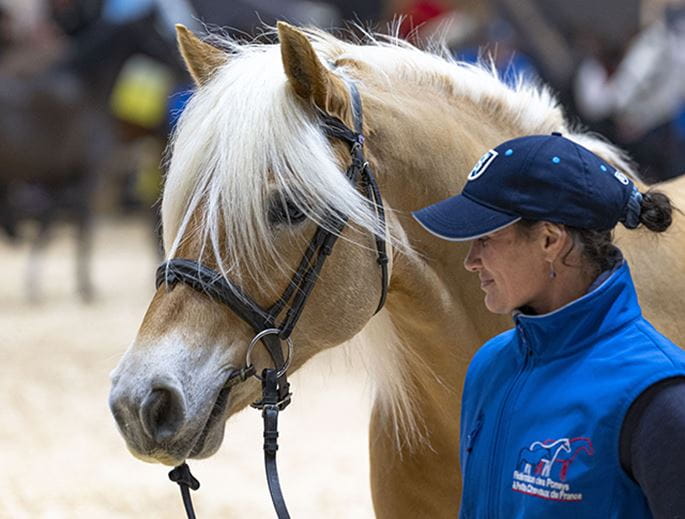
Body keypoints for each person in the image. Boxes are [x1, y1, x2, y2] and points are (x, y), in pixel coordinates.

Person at [412, 132, 685, 518]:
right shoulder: (489, 366)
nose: (470, 260)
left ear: (549, 240)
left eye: (486, 238)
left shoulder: (659, 398)